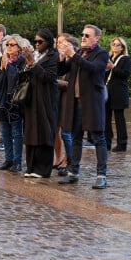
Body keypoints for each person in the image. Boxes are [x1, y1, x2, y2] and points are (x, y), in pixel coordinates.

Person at [58, 24, 110, 189]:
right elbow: (61, 70)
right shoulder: (79, 53)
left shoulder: (101, 54)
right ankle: (73, 172)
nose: (83, 37)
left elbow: (93, 69)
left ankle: (101, 175)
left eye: (87, 35)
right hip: (75, 102)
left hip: (92, 103)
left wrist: (73, 55)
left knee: (99, 139)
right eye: (82, 34)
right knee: (76, 138)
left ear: (97, 38)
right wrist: (62, 56)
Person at [22, 29, 59, 178]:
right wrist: (27, 65)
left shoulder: (54, 57)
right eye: (35, 41)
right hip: (32, 98)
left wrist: (32, 63)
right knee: (31, 131)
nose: (37, 44)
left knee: (44, 131)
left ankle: (43, 169)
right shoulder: (34, 55)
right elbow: (25, 74)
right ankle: (30, 167)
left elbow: (47, 77)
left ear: (48, 42)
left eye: (40, 42)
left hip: (46, 99)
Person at [0, 34, 26, 173]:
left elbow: (17, 78)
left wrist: (8, 67)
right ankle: (8, 159)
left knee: (17, 132)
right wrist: (1, 68)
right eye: (7, 45)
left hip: (16, 99)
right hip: (2, 99)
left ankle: (17, 161)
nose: (9, 47)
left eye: (12, 45)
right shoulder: (2, 58)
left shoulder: (22, 60)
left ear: (19, 47)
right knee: (4, 131)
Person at [54, 34, 79, 176]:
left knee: (66, 132)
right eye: (58, 43)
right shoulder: (61, 59)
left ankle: (69, 160)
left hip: (68, 99)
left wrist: (57, 83)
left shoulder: (76, 59)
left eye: (62, 42)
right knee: (55, 131)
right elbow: (58, 71)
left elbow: (74, 84)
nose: (59, 45)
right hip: (56, 97)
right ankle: (58, 158)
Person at [105, 37, 131, 152]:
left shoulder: (125, 59)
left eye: (118, 45)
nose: (115, 46)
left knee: (119, 119)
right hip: (107, 91)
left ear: (122, 48)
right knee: (106, 118)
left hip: (119, 93)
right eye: (114, 44)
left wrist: (113, 68)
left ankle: (122, 144)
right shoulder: (109, 57)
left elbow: (125, 74)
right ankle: (107, 142)